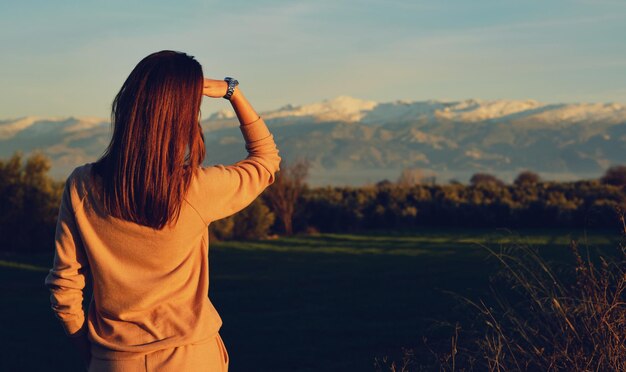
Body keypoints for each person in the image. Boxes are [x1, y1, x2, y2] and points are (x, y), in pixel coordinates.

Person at [43, 50, 281, 371]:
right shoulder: (196, 189)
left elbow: (65, 291)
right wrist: (232, 92)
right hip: (192, 359)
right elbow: (266, 161)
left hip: (113, 360)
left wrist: (96, 356)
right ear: (184, 119)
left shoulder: (82, 186)